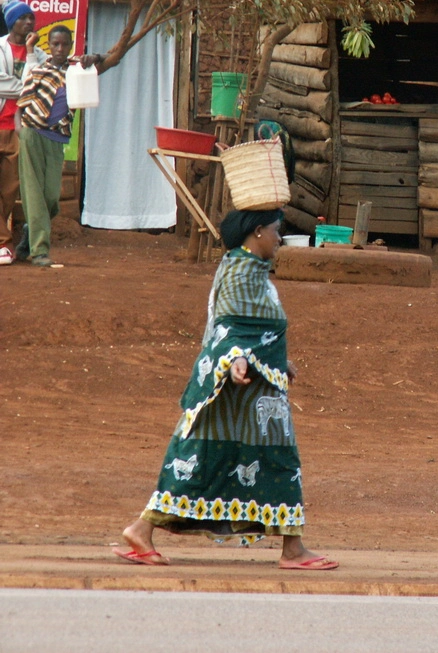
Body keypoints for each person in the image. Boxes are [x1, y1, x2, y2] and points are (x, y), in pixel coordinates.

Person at [114, 208, 338, 571]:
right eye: (277, 231)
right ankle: (292, 550)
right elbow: (229, 327)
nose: (281, 239)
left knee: (220, 458)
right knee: (231, 458)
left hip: (255, 385)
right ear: (259, 231)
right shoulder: (240, 270)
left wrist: (278, 358)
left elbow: (260, 328)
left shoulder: (252, 270)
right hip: (236, 386)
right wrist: (236, 360)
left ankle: (142, 529)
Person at [16, 25, 101, 267]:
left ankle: (29, 231)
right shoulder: (39, 71)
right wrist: (21, 132)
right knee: (34, 194)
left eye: (65, 44)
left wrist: (93, 57)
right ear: (49, 46)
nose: (60, 48)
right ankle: (40, 251)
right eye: (55, 44)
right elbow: (22, 105)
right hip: (32, 133)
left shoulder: (79, 70)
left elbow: (107, 60)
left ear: (71, 45)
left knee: (52, 197)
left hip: (57, 138)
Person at [0, 0, 45, 265]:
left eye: (32, 18)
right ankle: (3, 243)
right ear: (12, 22)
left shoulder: (37, 54)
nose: (29, 23)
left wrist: (29, 52)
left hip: (19, 128)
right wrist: (28, 87)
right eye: (24, 18)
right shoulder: (0, 48)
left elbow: (44, 78)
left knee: (10, 188)